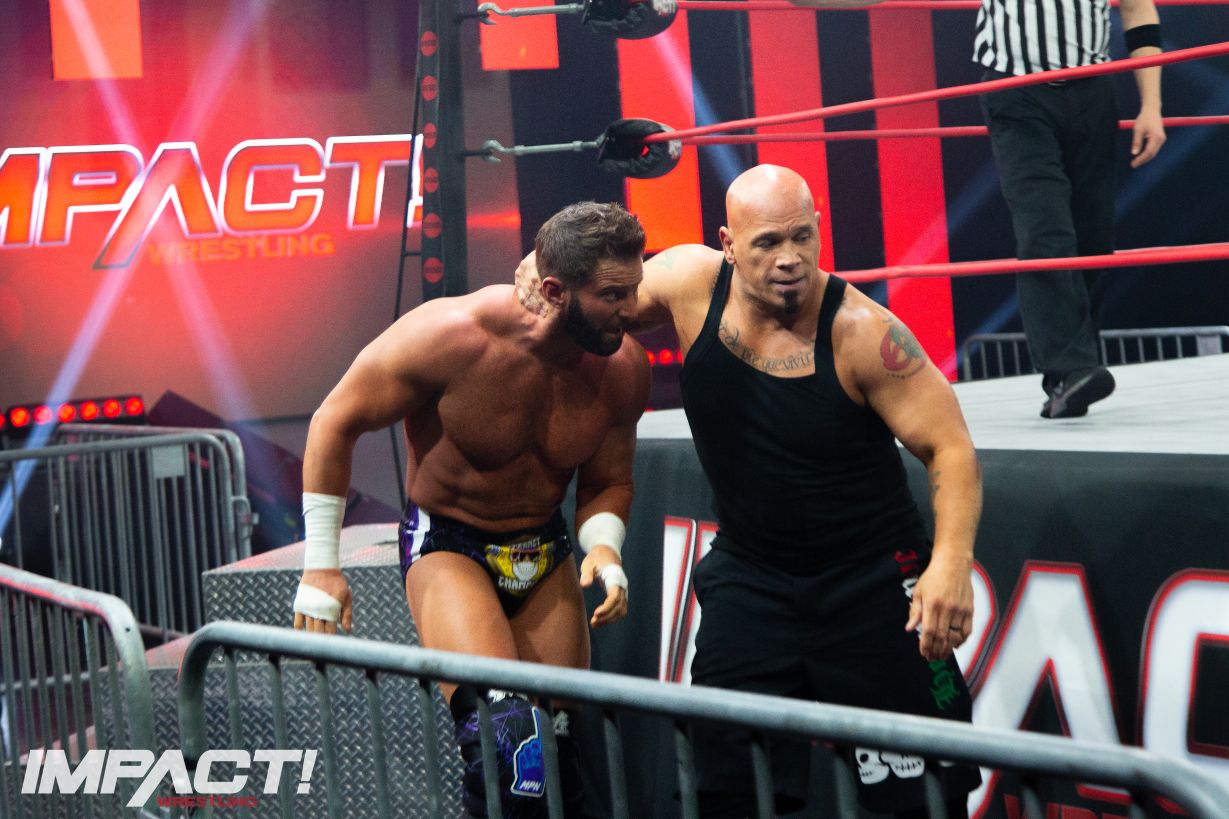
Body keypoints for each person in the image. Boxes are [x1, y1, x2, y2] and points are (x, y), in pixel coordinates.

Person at [518, 165, 984, 817]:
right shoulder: (689, 283)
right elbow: (593, 294)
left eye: (801, 237)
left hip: (874, 578)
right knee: (726, 788)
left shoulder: (863, 333)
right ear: (728, 244)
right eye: (767, 242)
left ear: (818, 229)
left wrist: (950, 563)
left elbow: (950, 449)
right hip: (752, 575)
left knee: (923, 795)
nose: (789, 258)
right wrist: (540, 273)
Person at [292, 201, 651, 818]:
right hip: (451, 546)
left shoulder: (622, 369)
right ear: (555, 291)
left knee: (558, 762)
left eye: (634, 289)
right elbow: (334, 421)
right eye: (613, 295)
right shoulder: (452, 335)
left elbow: (607, 481)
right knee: (509, 750)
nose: (632, 308)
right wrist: (321, 566)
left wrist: (604, 547)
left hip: (544, 548)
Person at [975, 0, 1166, 417]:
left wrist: (1152, 106)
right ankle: (1070, 369)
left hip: (1092, 90)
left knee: (1093, 236)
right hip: (1016, 90)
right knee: (1044, 228)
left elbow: (1138, 11)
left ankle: (1076, 374)